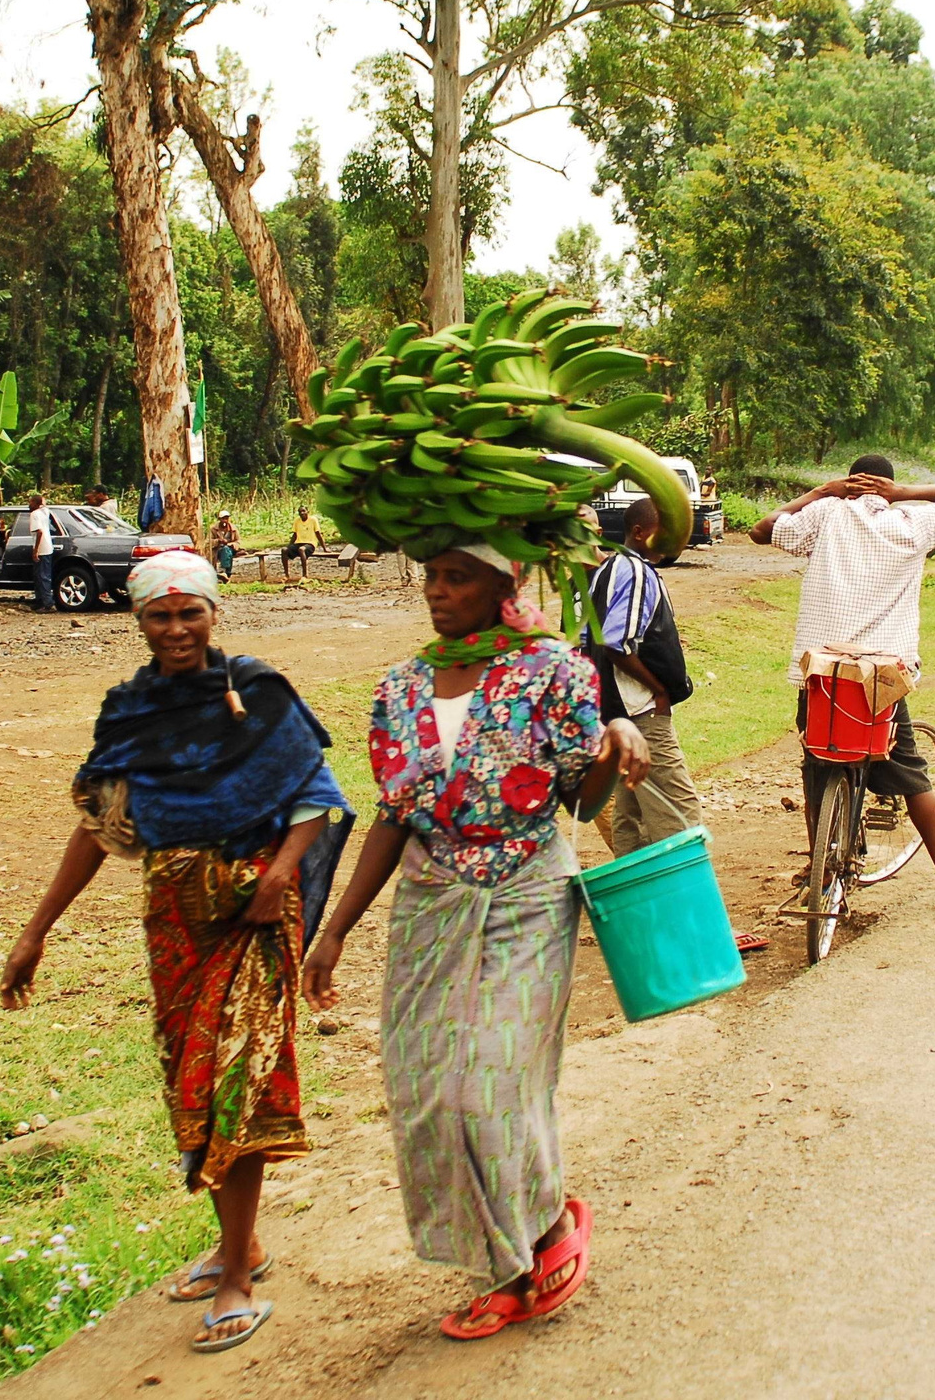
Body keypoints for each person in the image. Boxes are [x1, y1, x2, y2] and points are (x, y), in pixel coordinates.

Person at [0, 551, 351, 1355]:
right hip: (173, 921)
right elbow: (99, 828)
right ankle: (242, 1246)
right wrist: (36, 931)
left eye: (191, 612)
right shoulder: (129, 713)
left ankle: (235, 1278)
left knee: (239, 1071)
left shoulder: (257, 694)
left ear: (214, 614)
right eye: (161, 615)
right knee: (190, 1074)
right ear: (140, 622)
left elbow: (316, 799)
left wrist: (282, 876)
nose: (177, 629)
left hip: (256, 914)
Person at [301, 545, 649, 1342]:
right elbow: (394, 817)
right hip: (431, 901)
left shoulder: (553, 671)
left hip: (528, 891)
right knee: (425, 1091)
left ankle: (541, 1237)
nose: (437, 591)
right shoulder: (401, 687)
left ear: (505, 584)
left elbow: (580, 798)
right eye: (432, 576)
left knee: (491, 1080)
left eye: (457, 577)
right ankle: (505, 1255)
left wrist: (611, 744)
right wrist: (336, 931)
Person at [752, 455, 935, 910]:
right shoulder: (913, 523)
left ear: (850, 484)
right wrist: (900, 495)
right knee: (911, 774)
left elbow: (762, 530)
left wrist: (822, 491)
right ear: (887, 486)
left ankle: (821, 876)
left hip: (823, 672)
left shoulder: (825, 514)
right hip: (881, 675)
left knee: (821, 763)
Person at [587, 498, 702, 857]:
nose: (676, 543)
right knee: (677, 810)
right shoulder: (634, 572)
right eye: (665, 534)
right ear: (639, 532)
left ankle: (641, 901)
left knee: (630, 811)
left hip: (616, 711)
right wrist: (658, 691)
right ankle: (681, 899)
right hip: (640, 709)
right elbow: (615, 642)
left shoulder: (608, 569)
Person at [27, 493, 59, 610]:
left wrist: (35, 550)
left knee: (42, 576)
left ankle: (47, 603)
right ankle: (40, 601)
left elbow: (39, 532)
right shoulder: (45, 512)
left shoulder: (34, 514)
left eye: (31, 502)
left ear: (36, 503)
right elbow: (44, 505)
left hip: (41, 548)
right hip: (47, 547)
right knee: (40, 576)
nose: (29, 504)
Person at [285, 504, 323, 578]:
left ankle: (304, 575)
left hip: (310, 544)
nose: (302, 513)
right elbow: (295, 535)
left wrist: (324, 548)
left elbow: (318, 534)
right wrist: (289, 546)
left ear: (307, 511)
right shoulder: (297, 521)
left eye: (303, 511)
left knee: (301, 549)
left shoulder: (313, 520)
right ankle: (286, 575)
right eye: (300, 512)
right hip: (299, 543)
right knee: (284, 550)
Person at [209, 508, 240, 582]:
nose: (225, 520)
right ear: (220, 519)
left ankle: (224, 571)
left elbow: (238, 541)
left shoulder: (233, 529)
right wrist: (218, 541)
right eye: (223, 518)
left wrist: (232, 544)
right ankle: (226, 572)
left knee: (226, 550)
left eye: (227, 518)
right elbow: (209, 542)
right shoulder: (213, 529)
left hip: (230, 549)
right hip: (218, 549)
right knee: (224, 550)